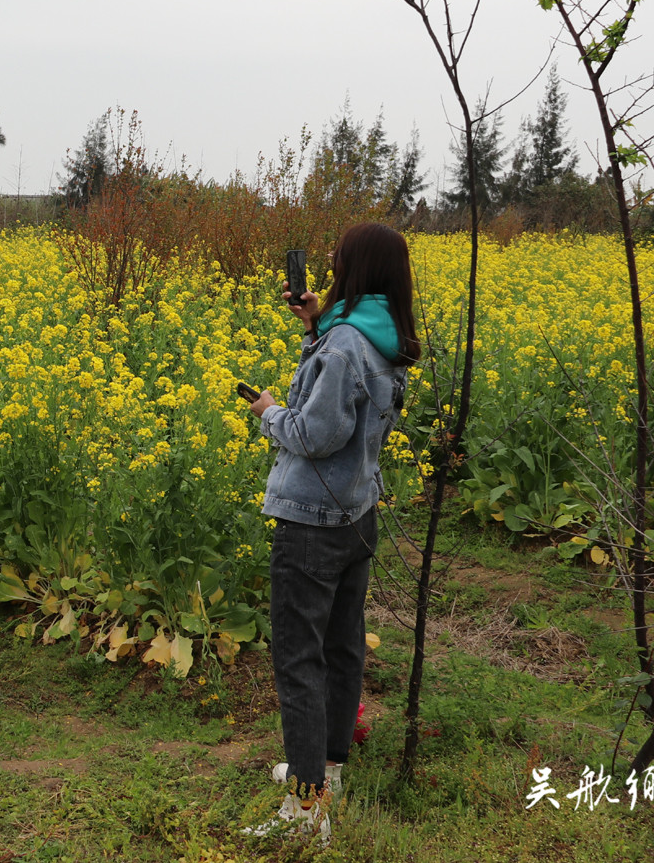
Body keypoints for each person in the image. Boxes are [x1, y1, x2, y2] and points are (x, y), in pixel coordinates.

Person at [243, 222, 420, 843]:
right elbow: (346, 395)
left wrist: (269, 413)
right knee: (343, 648)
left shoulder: (345, 344)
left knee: (298, 659)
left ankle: (304, 809)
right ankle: (330, 770)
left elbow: (316, 435)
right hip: (356, 514)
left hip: (311, 520)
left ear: (356, 269)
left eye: (338, 260)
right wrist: (315, 328)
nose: (330, 266)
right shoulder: (381, 334)